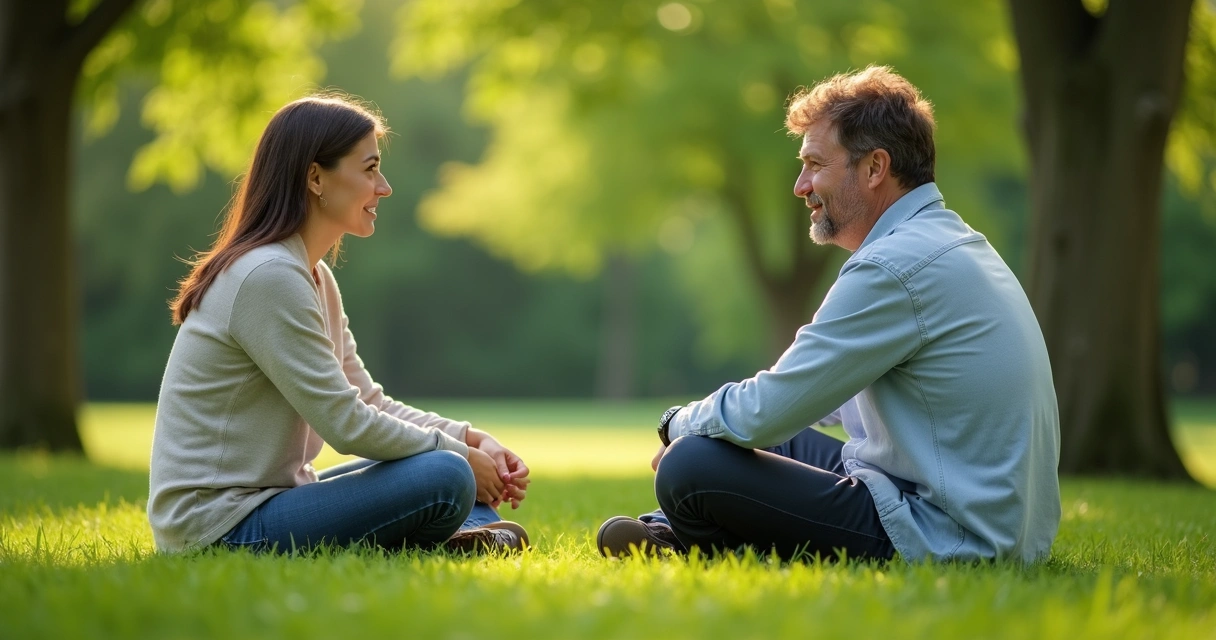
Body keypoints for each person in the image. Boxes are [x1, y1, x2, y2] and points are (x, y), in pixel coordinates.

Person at [597, 66, 1061, 563]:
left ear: (874, 168)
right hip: (984, 520)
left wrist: (677, 423)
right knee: (766, 439)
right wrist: (722, 424)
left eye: (815, 164)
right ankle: (671, 533)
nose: (801, 186)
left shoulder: (894, 266)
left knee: (691, 461)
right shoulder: (949, 243)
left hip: (943, 534)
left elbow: (768, 409)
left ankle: (686, 541)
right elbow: (807, 399)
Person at [148, 95, 530, 554]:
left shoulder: (313, 276)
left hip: (276, 500)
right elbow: (346, 425)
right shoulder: (267, 276)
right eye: (369, 169)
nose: (384, 187)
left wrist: (469, 437)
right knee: (445, 474)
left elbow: (365, 399)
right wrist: (459, 455)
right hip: (219, 528)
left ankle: (457, 532)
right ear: (314, 177)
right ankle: (450, 531)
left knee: (447, 471)